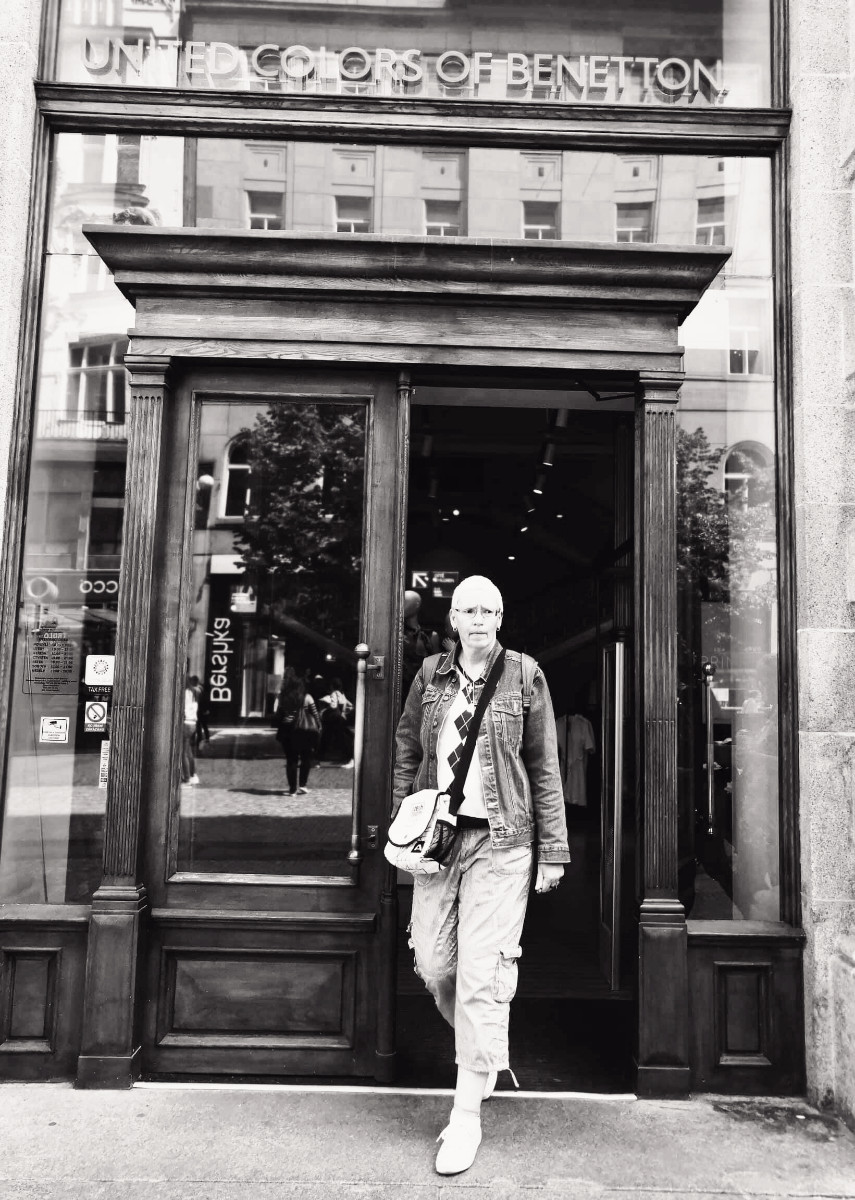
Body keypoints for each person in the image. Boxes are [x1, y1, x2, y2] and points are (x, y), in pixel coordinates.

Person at [393, 575, 569, 1176]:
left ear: (500, 617)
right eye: (467, 610)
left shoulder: (524, 675)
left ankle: (465, 1114)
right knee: (434, 963)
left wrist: (553, 850)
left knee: (479, 975)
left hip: (503, 841)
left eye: (487, 610)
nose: (477, 619)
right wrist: (404, 818)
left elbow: (544, 765)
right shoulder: (429, 675)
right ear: (452, 618)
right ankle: (483, 1052)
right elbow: (407, 751)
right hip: (440, 841)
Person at [275, 666, 321, 796]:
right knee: (306, 758)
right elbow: (315, 714)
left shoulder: (282, 697)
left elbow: (278, 714)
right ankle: (303, 785)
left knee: (291, 760)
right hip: (304, 731)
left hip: (287, 730)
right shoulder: (307, 697)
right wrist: (319, 726)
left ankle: (292, 789)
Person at [401, 589, 440, 698]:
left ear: (416, 604)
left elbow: (437, 670)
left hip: (422, 689)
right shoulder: (395, 635)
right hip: (400, 687)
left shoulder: (429, 636)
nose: (401, 606)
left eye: (405, 602)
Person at [181, 674, 200, 785]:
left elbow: (183, 709)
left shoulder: (184, 693)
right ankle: (193, 775)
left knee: (183, 753)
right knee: (188, 751)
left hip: (186, 723)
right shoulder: (194, 692)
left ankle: (187, 778)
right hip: (193, 723)